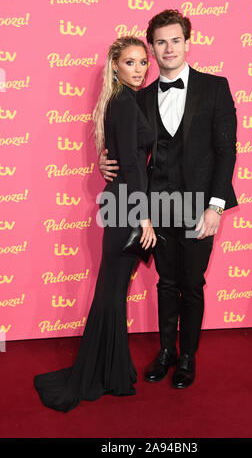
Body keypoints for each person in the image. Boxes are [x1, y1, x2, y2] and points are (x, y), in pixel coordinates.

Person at [99, 10, 238, 389]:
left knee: (192, 283)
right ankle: (166, 351)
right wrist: (104, 160)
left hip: (199, 205)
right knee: (165, 281)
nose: (168, 48)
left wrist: (216, 206)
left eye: (175, 40)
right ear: (153, 48)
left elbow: (226, 152)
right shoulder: (139, 97)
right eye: (160, 42)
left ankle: (188, 356)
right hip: (157, 205)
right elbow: (127, 148)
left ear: (187, 43)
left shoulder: (215, 87)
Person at [33, 36, 157, 412]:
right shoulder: (122, 103)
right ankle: (103, 373)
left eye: (142, 62)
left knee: (113, 290)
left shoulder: (126, 100)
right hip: (127, 209)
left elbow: (122, 158)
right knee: (111, 290)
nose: (138, 70)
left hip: (122, 203)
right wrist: (145, 215)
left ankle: (111, 369)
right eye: (130, 63)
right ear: (115, 67)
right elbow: (133, 167)